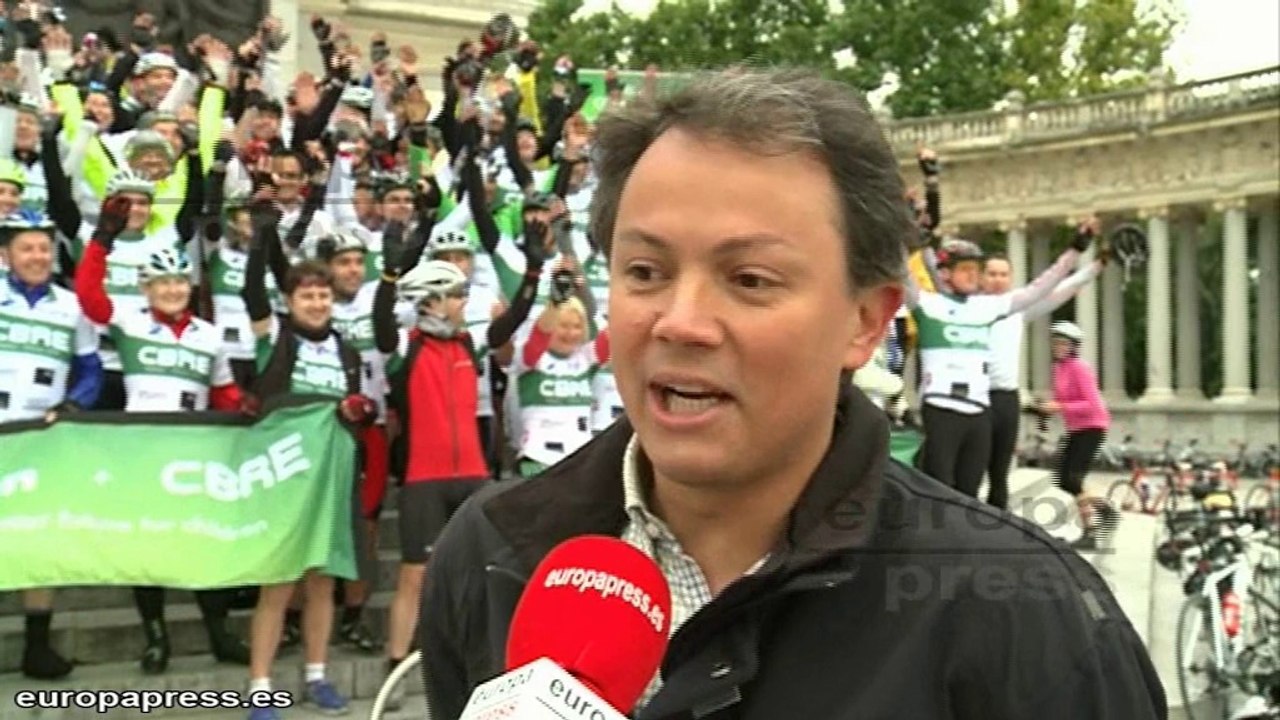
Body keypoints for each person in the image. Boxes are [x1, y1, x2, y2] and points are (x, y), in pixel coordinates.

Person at [418, 68, 1164, 719]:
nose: (680, 322)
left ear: (865, 323)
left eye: (750, 280)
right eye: (645, 272)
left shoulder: (1029, 617)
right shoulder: (488, 552)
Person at [73, 196, 249, 673]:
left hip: (195, 453)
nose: (172, 290)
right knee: (148, 548)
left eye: (179, 281)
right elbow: (89, 298)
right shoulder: (131, 323)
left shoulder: (208, 336)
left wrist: (251, 415)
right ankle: (156, 638)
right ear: (145, 288)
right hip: (143, 454)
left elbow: (227, 394)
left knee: (202, 544)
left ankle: (219, 634)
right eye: (162, 282)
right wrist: (102, 241)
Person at [374, 218, 544, 709]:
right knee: (413, 573)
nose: (463, 305)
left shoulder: (468, 344)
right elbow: (382, 328)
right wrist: (387, 277)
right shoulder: (407, 348)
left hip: (471, 472)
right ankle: (395, 664)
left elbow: (510, 325)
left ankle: (480, 664)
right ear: (431, 301)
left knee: (481, 571)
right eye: (456, 297)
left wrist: (533, 272)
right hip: (424, 478)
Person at [239, 199, 377, 719]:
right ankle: (260, 687)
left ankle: (317, 675)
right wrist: (261, 237)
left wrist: (356, 411)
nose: (317, 302)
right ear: (290, 300)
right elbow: (252, 291)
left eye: (323, 295)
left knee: (322, 582)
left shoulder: (345, 350)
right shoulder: (275, 336)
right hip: (283, 478)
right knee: (278, 585)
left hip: (331, 478)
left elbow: (354, 410)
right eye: (307, 295)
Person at [907, 230, 1090, 498]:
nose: (974, 275)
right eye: (966, 269)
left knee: (970, 491)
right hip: (941, 408)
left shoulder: (987, 308)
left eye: (977, 270)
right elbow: (897, 268)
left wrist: (1075, 249)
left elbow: (1041, 287)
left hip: (980, 412)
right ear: (945, 273)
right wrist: (906, 231)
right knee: (940, 489)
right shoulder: (926, 303)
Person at [0, 210, 101, 680]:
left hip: (41, 440)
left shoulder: (72, 305)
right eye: (27, 248)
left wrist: (73, 406)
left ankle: (36, 648)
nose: (38, 256)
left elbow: (91, 370)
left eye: (43, 248)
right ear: (6, 255)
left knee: (40, 541)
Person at [981, 247, 1106, 509]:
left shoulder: (1017, 306)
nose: (997, 279)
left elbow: (1056, 290)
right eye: (991, 273)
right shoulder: (966, 307)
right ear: (981, 276)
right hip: (974, 396)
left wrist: (1095, 267)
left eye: (1003, 274)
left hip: (1006, 396)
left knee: (1002, 471)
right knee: (973, 465)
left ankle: (1100, 519)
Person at [1039, 320, 1117, 551]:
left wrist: (1059, 407)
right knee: (1063, 479)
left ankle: (1091, 531)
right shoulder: (1059, 369)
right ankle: (1104, 509)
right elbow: (1062, 400)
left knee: (1072, 479)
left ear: (1074, 346)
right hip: (1076, 428)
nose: (1058, 347)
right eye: (1055, 342)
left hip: (1093, 425)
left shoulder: (1080, 368)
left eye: (1063, 343)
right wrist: (1044, 412)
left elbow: (1091, 404)